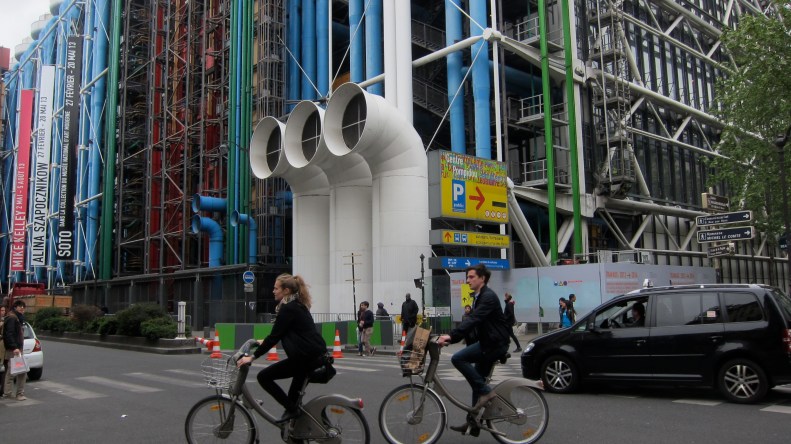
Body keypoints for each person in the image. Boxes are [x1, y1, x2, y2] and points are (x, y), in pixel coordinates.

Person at [236, 274, 327, 422]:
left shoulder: (288, 309)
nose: (273, 291)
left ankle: (294, 412)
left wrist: (252, 356)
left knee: (264, 377)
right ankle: (295, 429)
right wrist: (262, 342)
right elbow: (286, 332)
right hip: (313, 357)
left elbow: (275, 336)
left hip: (306, 359)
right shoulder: (297, 305)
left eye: (275, 288)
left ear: (286, 291)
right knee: (292, 403)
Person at [437, 264, 510, 436]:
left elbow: (475, 319)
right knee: (477, 383)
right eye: (467, 277)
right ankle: (473, 424)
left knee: (458, 359)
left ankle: (487, 393)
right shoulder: (479, 296)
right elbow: (473, 322)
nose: (468, 280)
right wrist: (452, 337)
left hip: (494, 344)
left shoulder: (488, 297)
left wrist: (452, 336)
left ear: (482, 278)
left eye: (471, 277)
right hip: (488, 342)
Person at [3, 300, 27, 401]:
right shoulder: (13, 318)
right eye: (20, 306)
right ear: (15, 307)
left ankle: (10, 393)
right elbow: (9, 334)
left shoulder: (17, 318)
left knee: (15, 371)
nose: (22, 308)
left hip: (16, 349)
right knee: (18, 371)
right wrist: (15, 347)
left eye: (23, 307)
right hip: (14, 350)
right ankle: (15, 393)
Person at [0, 305, 6, 398]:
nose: (3, 311)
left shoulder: (5, 320)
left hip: (3, 349)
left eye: (4, 310)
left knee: (2, 369)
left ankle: (2, 390)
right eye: (1, 310)